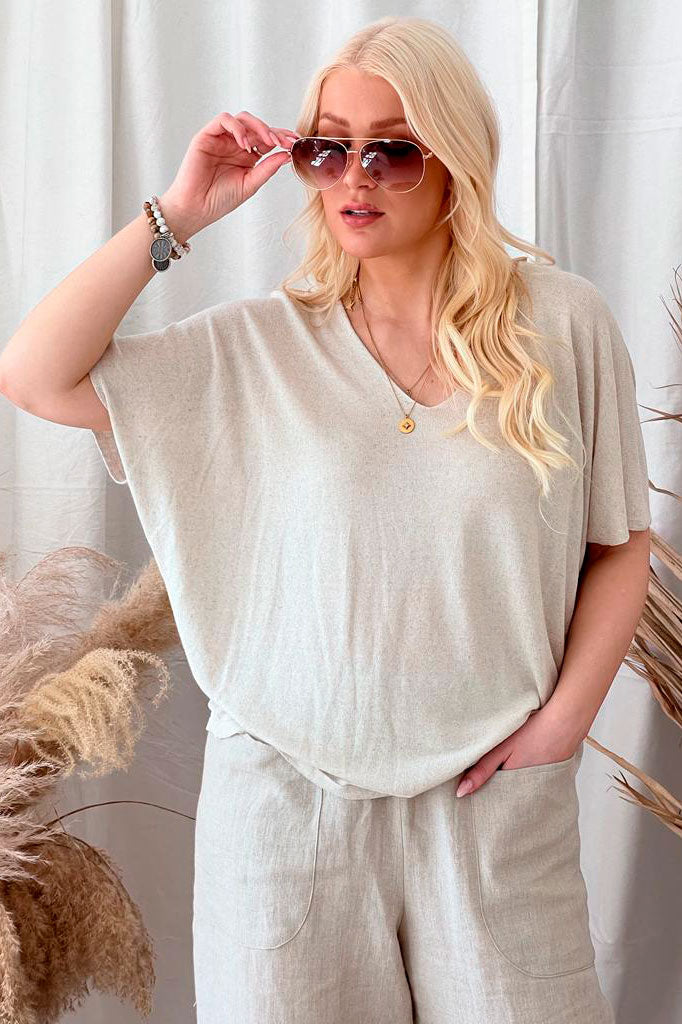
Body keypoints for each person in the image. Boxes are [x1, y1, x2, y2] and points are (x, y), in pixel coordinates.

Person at [0, 14, 651, 1024]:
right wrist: (178, 213)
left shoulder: (561, 325)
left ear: (454, 158)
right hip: (287, 812)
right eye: (326, 148)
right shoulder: (255, 349)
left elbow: (620, 544)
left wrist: (560, 725)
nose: (356, 177)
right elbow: (35, 375)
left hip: (492, 804)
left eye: (392, 149)